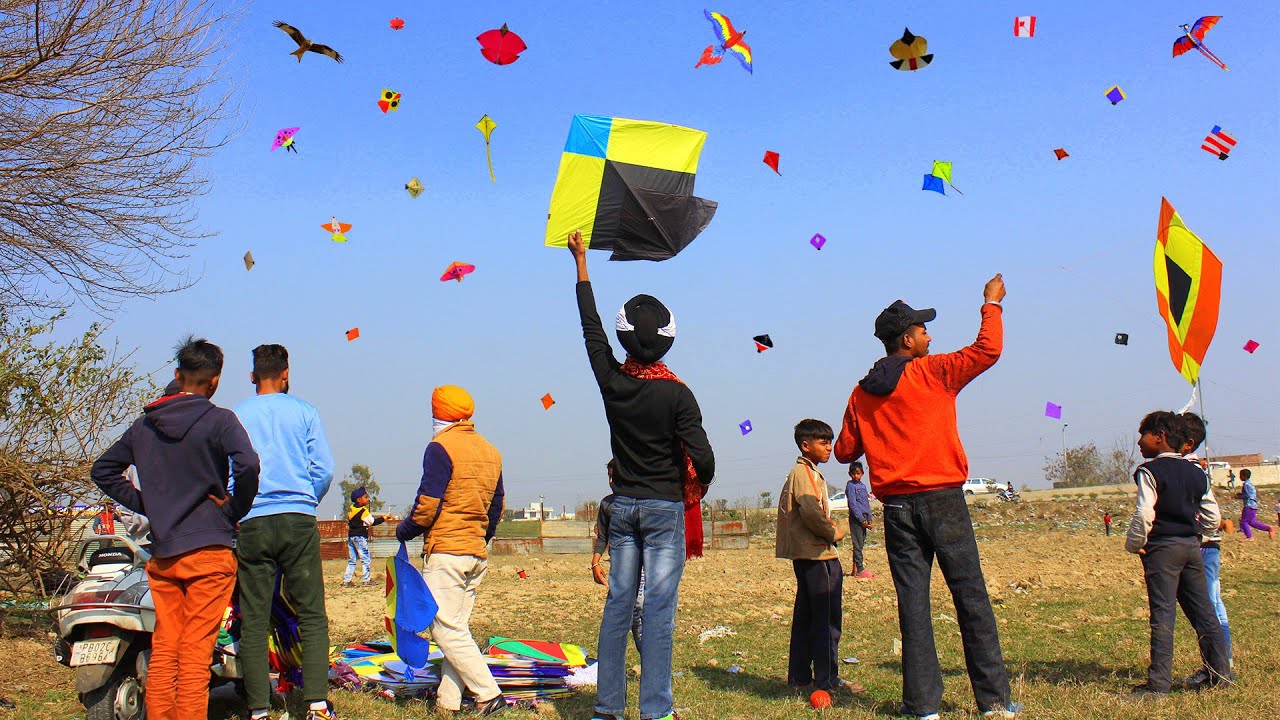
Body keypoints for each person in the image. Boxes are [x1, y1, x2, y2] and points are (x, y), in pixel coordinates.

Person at [835, 275, 1020, 720]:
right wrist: (990, 303)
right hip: (943, 501)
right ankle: (993, 702)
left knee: (913, 605)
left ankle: (922, 707)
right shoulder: (932, 371)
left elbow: (844, 451)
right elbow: (987, 351)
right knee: (970, 598)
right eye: (922, 331)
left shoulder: (862, 391)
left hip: (897, 509)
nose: (929, 336)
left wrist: (876, 425)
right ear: (907, 339)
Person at [568, 231, 715, 720]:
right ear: (670, 339)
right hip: (664, 509)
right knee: (658, 614)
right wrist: (695, 483)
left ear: (625, 337)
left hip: (623, 506)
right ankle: (656, 710)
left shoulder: (613, 382)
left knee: (616, 609)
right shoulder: (679, 395)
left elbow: (591, 330)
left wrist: (581, 264)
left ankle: (608, 709)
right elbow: (704, 456)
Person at [90, 337, 260, 720]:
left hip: (164, 554)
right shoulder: (219, 420)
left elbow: (103, 470)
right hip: (209, 553)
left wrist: (147, 503)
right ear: (214, 381)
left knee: (166, 648)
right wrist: (235, 508)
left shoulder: (144, 426)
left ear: (177, 375)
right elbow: (248, 464)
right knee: (196, 655)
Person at [233, 344, 338, 720]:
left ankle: (259, 708)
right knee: (311, 613)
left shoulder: (236, 415)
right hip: (297, 518)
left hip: (253, 520)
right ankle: (317, 704)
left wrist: (239, 505)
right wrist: (306, 497)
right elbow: (323, 468)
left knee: (255, 618)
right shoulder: (305, 411)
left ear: (252, 376)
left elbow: (230, 471)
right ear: (286, 373)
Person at [396, 385, 506, 716]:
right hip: (475, 553)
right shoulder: (491, 450)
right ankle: (448, 701)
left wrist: (405, 530)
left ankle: (488, 694)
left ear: (439, 414)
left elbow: (428, 504)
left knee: (443, 628)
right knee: (457, 627)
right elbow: (497, 506)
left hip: (448, 551)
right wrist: (481, 536)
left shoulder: (440, 447)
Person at [1124, 411, 1230, 699]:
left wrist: (1134, 544)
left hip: (1161, 550)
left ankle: (1158, 686)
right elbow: (1212, 515)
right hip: (1191, 548)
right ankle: (1220, 675)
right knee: (1204, 613)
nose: (1139, 442)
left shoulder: (1148, 472)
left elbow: (1145, 512)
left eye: (1142, 435)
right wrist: (1200, 534)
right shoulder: (1197, 472)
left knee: (1162, 615)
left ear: (1159, 438)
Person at [777, 419, 863, 696]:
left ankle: (800, 677)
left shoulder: (807, 471)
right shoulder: (804, 473)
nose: (829, 447)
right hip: (818, 555)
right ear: (806, 445)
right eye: (823, 442)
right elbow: (811, 511)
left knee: (807, 617)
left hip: (807, 555)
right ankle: (827, 679)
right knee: (826, 619)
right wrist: (834, 532)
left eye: (829, 441)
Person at [1177, 412, 1232, 679]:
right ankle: (1219, 663)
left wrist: (1197, 535)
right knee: (1207, 605)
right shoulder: (1186, 467)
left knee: (1209, 604)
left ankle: (1221, 664)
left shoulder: (1191, 471)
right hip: (1198, 543)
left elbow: (1212, 516)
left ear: (1186, 442)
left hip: (1203, 546)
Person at [591, 460, 644, 653]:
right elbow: (602, 537)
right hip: (619, 568)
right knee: (625, 614)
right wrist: (595, 563)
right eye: (609, 477)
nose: (611, 481)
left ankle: (650, 662)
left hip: (643, 566)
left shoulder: (641, 503)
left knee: (638, 610)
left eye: (616, 476)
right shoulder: (607, 504)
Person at [343, 487, 389, 586]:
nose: (368, 499)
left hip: (351, 537)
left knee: (352, 560)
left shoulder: (351, 510)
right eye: (365, 497)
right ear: (359, 500)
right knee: (365, 559)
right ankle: (366, 580)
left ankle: (346, 580)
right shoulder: (363, 511)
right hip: (360, 537)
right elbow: (373, 522)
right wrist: (384, 518)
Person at [845, 462, 874, 578]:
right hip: (857, 519)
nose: (855, 476)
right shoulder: (851, 486)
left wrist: (869, 518)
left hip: (864, 519)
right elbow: (853, 505)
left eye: (858, 473)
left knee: (860, 544)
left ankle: (855, 569)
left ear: (862, 473)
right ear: (850, 474)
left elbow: (865, 503)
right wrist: (861, 519)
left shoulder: (863, 486)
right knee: (857, 545)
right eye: (853, 474)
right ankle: (860, 570)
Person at [1235, 469, 1275, 540]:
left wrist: (1239, 496)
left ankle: (1249, 537)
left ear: (1244, 476)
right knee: (1252, 522)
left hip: (1249, 505)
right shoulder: (1250, 484)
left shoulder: (1246, 484)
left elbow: (1247, 495)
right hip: (1253, 505)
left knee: (1244, 522)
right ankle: (1268, 528)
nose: (1239, 477)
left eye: (1240, 475)